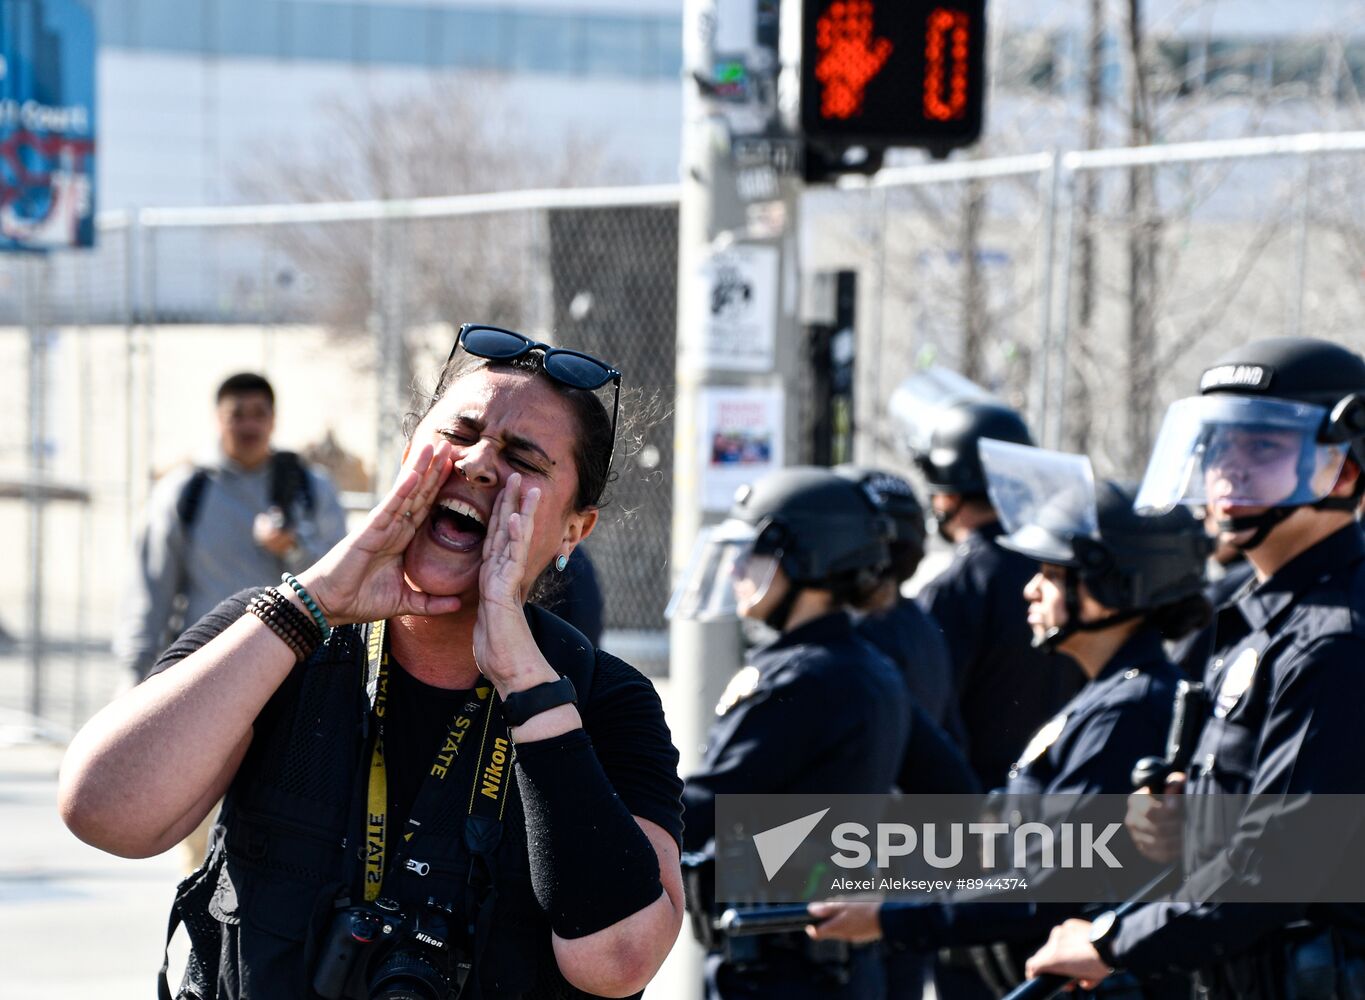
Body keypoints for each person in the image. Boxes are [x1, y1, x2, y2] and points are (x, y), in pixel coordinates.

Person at [61, 325, 685, 999]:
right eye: (459, 433)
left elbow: (619, 960)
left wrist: (524, 684)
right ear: (408, 455)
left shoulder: (601, 699)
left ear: (573, 530)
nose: (477, 464)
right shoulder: (277, 633)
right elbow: (104, 812)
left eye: (524, 460)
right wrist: (309, 605)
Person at [1024, 336, 1365, 998]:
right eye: (1216, 445)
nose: (1225, 471)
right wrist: (1186, 821)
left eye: (1262, 447)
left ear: (1344, 469)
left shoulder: (1338, 639)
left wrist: (1111, 942)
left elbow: (1276, 865)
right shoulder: (1262, 621)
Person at [809, 447, 1210, 1000]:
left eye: (1050, 574)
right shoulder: (1109, 697)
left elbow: (1049, 884)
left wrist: (892, 917)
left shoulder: (1130, 710)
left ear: (1115, 585)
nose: (1031, 589)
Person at [669, 466, 912, 1000]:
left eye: (753, 553)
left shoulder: (802, 678)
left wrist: (603, 818)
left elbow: (704, 806)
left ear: (806, 560)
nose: (736, 569)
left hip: (780, 966)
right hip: (835, 967)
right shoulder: (868, 667)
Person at [114, 372, 349, 684]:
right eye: (237, 415)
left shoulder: (311, 488)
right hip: (203, 670)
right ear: (218, 419)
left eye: (259, 414)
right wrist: (134, 678)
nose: (249, 425)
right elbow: (150, 592)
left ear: (273, 420)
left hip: (292, 675)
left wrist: (293, 549)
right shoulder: (183, 493)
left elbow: (343, 580)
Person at [911, 400, 1084, 791]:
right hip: (1057, 796)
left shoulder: (955, 586)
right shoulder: (1064, 571)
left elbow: (923, 719)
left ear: (948, 494)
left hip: (976, 814)